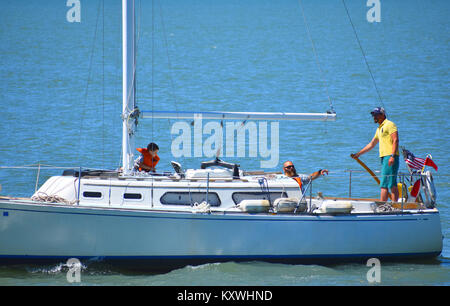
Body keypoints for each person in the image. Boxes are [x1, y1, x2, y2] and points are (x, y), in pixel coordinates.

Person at [352, 107, 399, 202]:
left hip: (389, 156)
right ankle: (395, 206)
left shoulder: (390, 124)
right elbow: (372, 144)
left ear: (382, 115)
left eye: (376, 115)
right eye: (373, 115)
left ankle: (385, 206)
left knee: (385, 184)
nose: (374, 117)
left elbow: (395, 140)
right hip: (384, 157)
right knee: (391, 183)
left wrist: (392, 156)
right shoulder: (379, 128)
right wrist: (358, 154)